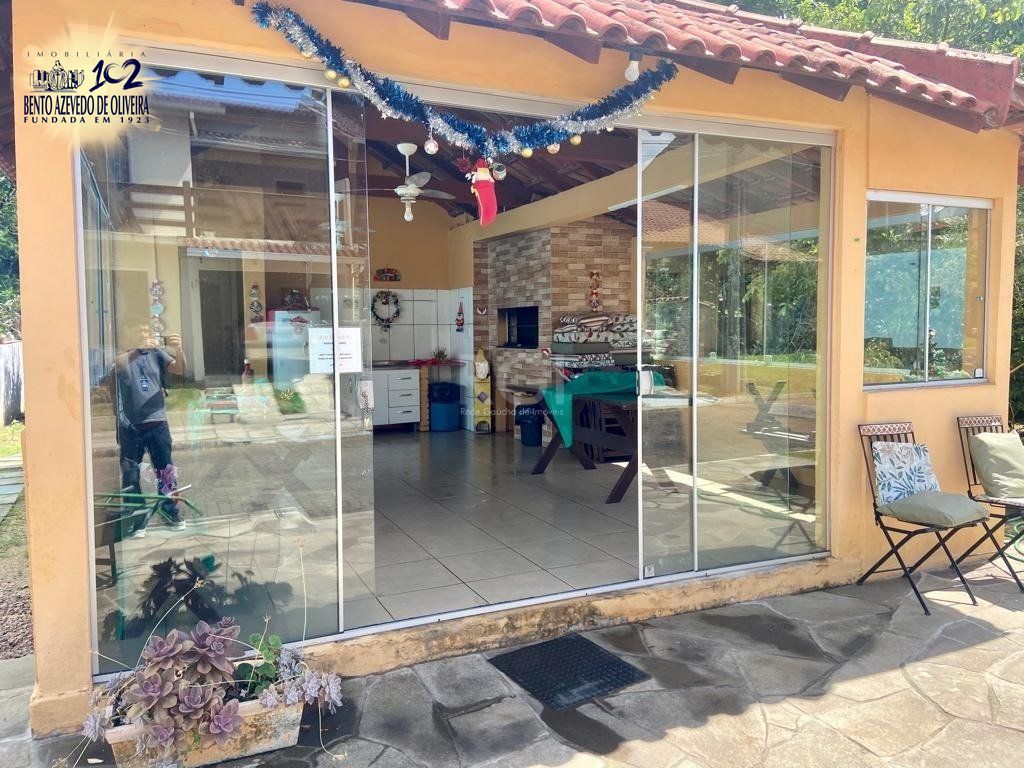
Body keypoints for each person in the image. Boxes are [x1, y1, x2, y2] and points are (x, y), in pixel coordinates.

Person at [113, 324, 186, 538]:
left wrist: (179, 349)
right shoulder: (124, 356)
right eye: (140, 332)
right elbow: (118, 365)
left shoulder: (156, 354)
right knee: (131, 474)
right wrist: (138, 349)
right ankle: (137, 519)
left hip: (157, 422)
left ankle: (169, 510)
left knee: (165, 470)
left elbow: (179, 369)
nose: (145, 336)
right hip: (131, 425)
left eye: (147, 332)